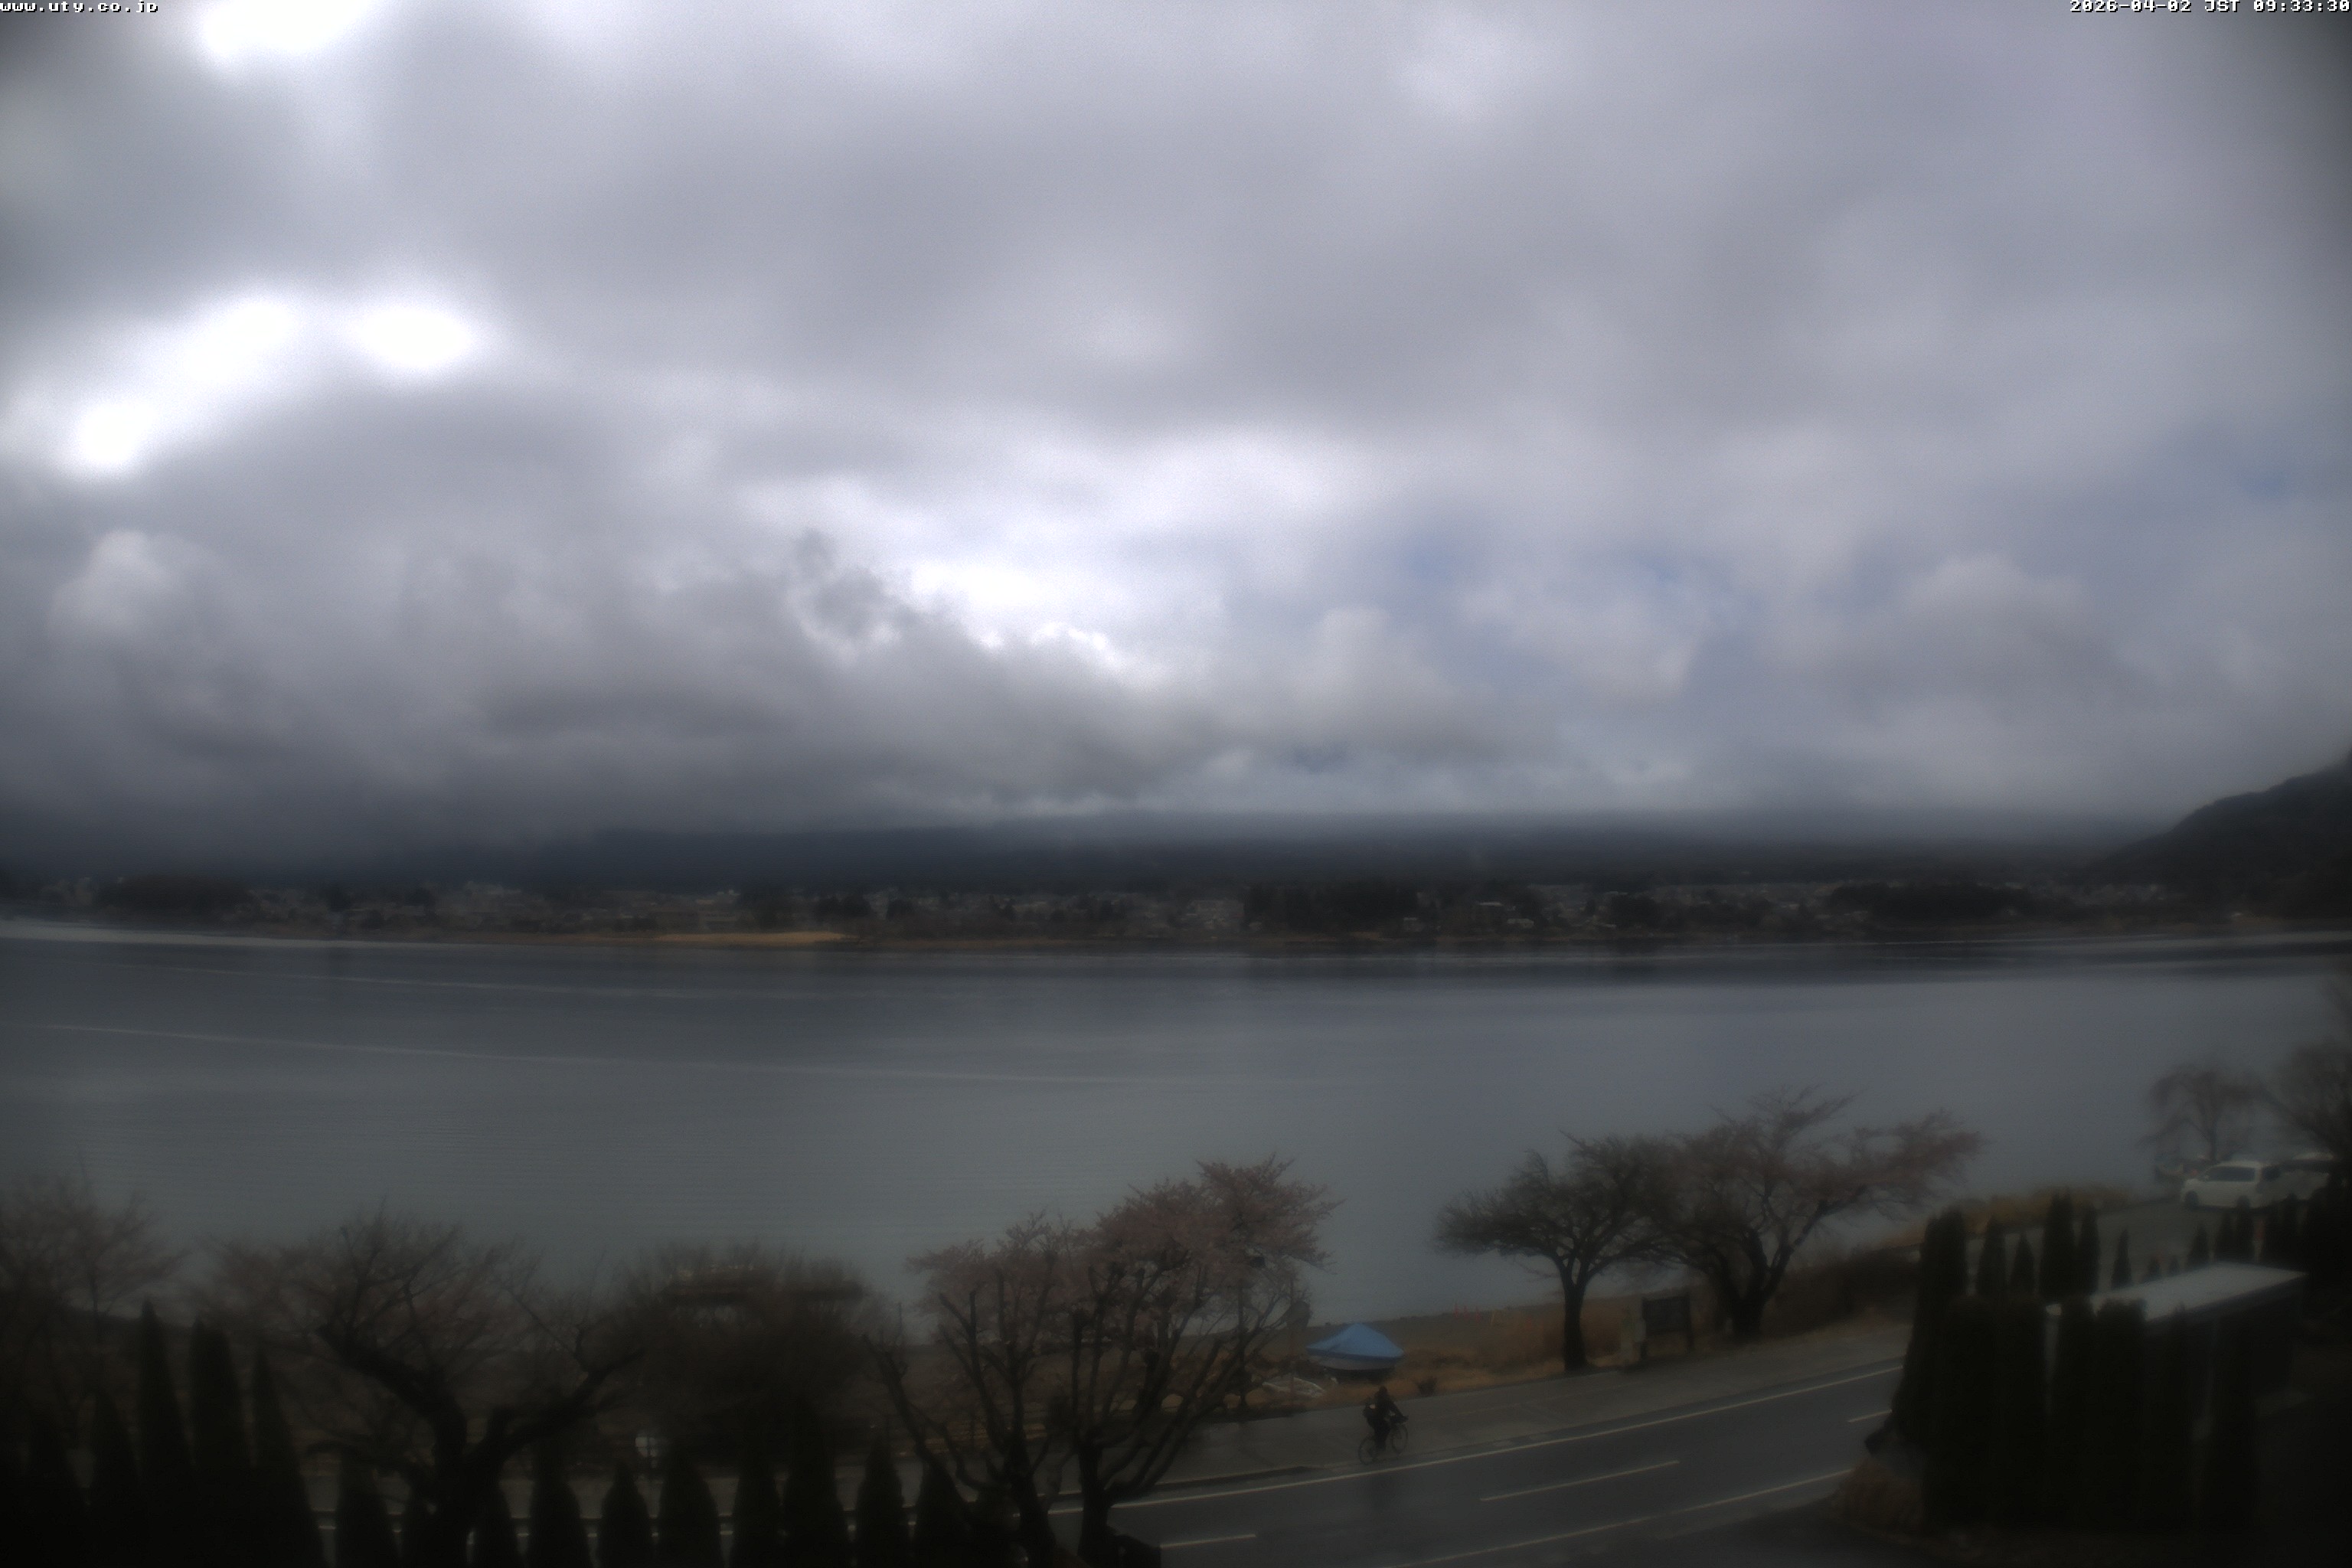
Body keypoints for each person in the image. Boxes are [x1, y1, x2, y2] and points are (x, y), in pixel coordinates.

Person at [1364, 1383, 1404, 1452]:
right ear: (1386, 1392)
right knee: (1387, 1428)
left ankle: (1379, 1445)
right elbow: (1394, 1408)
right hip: (1377, 1419)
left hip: (1370, 1419)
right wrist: (1401, 1416)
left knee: (1379, 1431)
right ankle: (1379, 1448)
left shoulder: (1376, 1398)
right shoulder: (1386, 1400)